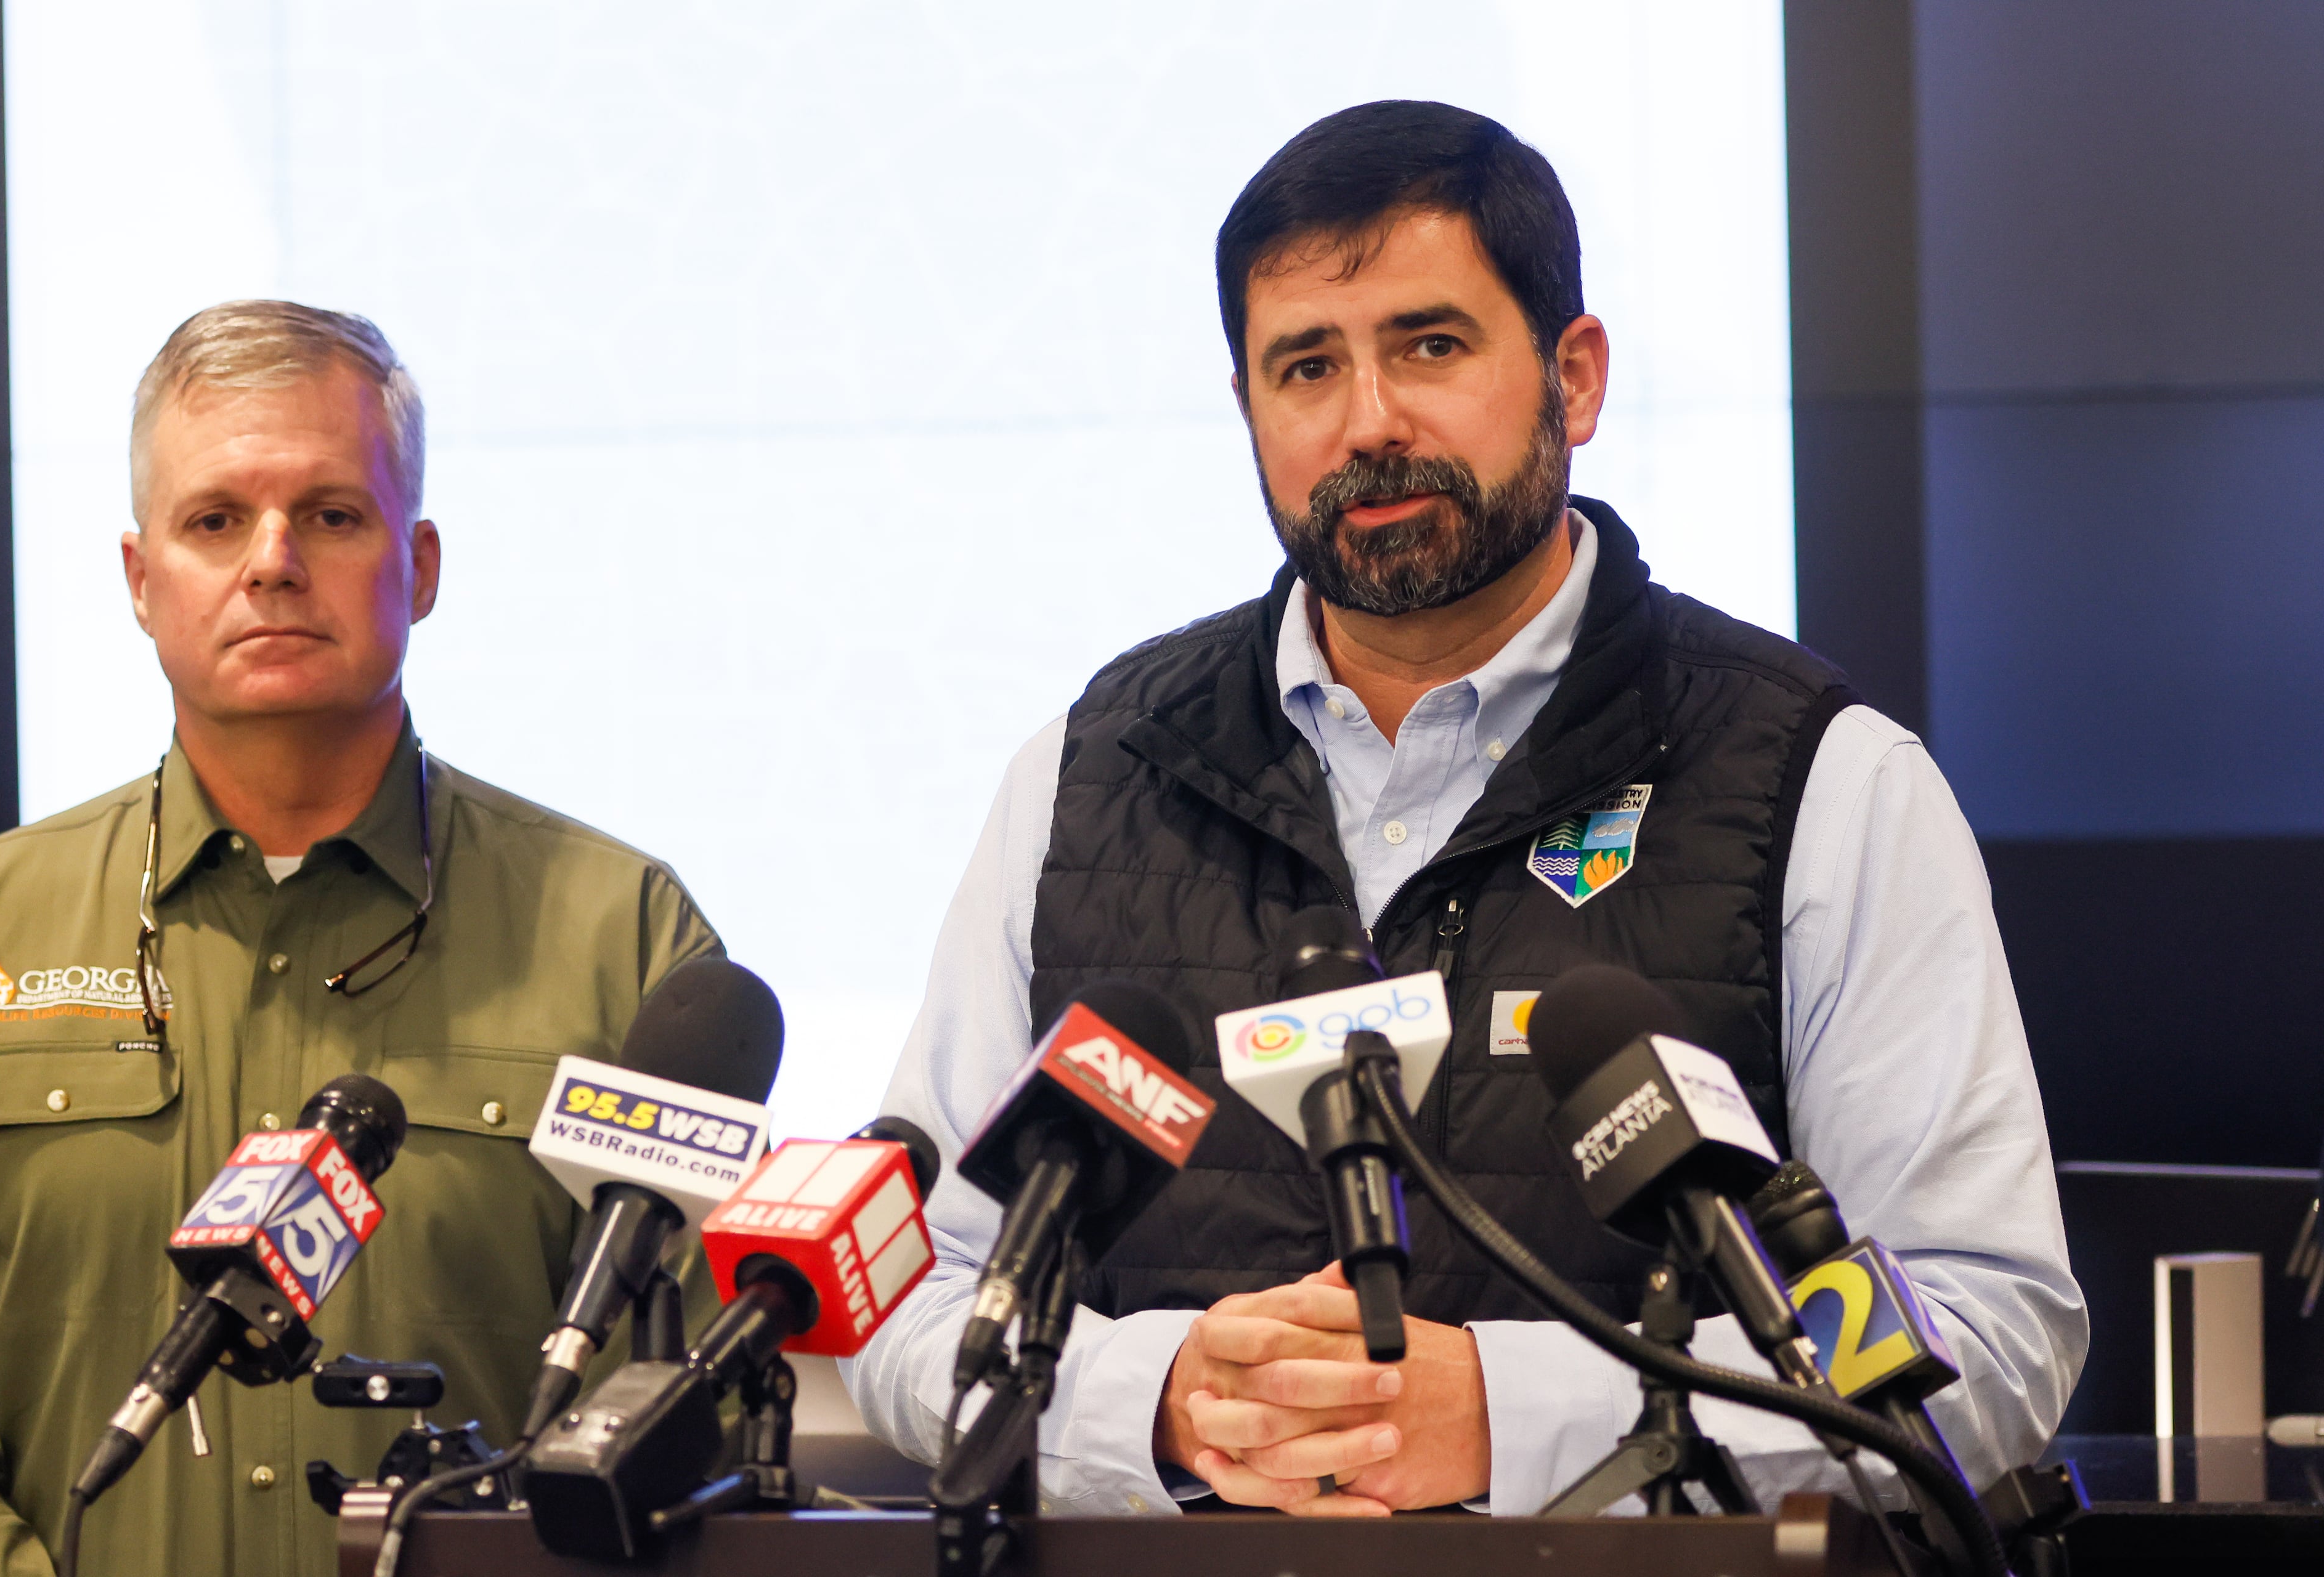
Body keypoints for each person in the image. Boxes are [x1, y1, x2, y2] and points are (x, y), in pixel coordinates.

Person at [846, 102, 2086, 1517]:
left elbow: (1982, 1333)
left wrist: (1508, 1416)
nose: (1370, 422)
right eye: (1307, 366)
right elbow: (901, 1289)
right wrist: (1170, 1400)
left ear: (1576, 376)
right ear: (1248, 411)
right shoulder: (1086, 774)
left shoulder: (1824, 779)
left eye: (1430, 346)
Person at [0, 301, 723, 1574]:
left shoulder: (625, 937)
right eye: (215, 520)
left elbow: (697, 1407)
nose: (271, 560)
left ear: (417, 566)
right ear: (142, 582)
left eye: (330, 513)